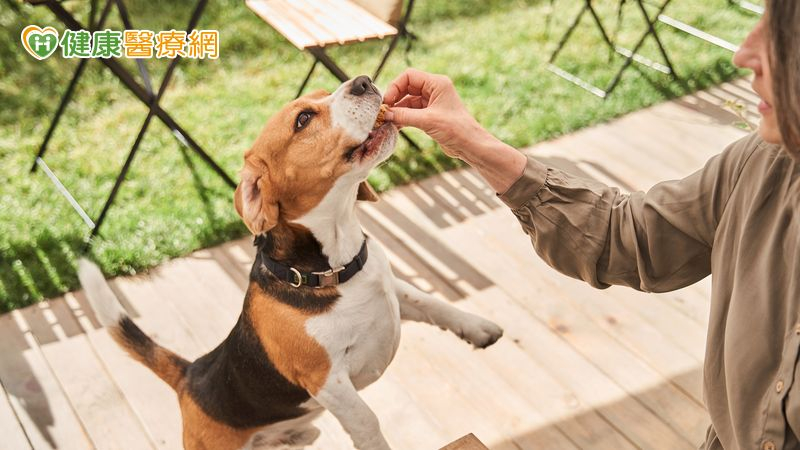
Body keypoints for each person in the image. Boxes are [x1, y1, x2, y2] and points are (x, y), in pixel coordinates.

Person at [381, 1, 800, 449]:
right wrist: (473, 143)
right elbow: (632, 239)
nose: (745, 53)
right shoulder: (766, 161)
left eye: (784, 34)